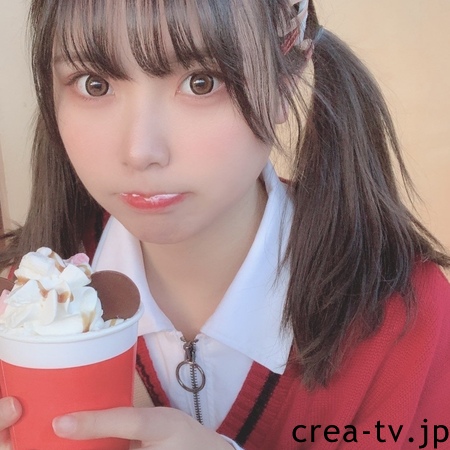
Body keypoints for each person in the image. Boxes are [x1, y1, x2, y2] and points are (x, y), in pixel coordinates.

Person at [1, 0, 450, 448]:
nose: (140, 151)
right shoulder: (15, 308)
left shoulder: (405, 315)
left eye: (202, 82)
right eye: (94, 84)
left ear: (285, 80)